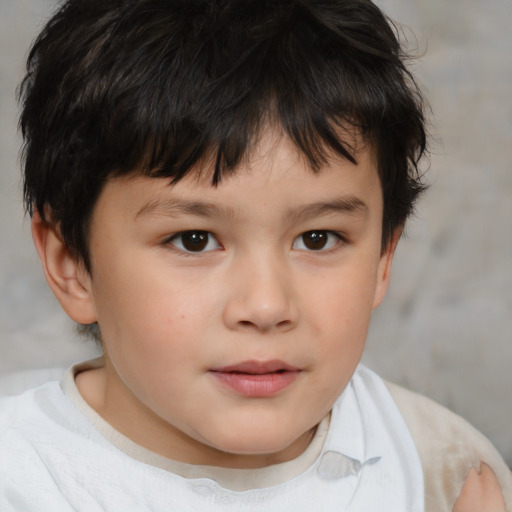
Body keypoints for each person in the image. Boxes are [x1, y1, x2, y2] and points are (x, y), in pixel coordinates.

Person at [0, 0, 510, 510]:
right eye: (194, 240)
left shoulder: (442, 468)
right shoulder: (20, 476)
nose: (266, 307)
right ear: (72, 266)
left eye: (318, 238)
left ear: (383, 257)